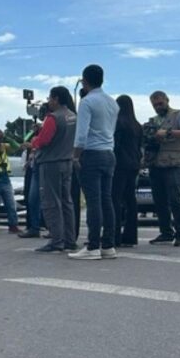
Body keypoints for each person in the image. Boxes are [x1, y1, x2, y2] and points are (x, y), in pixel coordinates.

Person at [69, 64, 119, 260]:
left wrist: (75, 156)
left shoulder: (87, 102)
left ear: (84, 80)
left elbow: (81, 135)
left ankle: (92, 246)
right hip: (109, 153)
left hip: (91, 153)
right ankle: (108, 244)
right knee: (107, 200)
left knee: (93, 202)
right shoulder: (112, 103)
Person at [29, 86, 78, 252]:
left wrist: (33, 141)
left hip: (51, 163)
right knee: (67, 202)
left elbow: (43, 141)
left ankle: (56, 240)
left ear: (56, 99)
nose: (48, 101)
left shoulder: (53, 117)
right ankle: (70, 239)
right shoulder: (73, 116)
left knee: (51, 203)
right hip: (67, 161)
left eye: (50, 98)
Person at [146, 91, 180, 247]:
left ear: (167, 100)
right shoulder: (153, 121)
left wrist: (168, 132)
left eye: (160, 103)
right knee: (160, 201)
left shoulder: (179, 115)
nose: (158, 107)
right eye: (155, 105)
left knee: (175, 199)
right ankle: (166, 232)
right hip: (156, 164)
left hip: (174, 165)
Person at [113, 95, 143, 247]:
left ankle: (114, 235)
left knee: (115, 199)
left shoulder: (118, 123)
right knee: (130, 200)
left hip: (119, 164)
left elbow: (116, 145)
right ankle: (131, 235)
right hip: (134, 164)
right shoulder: (137, 125)